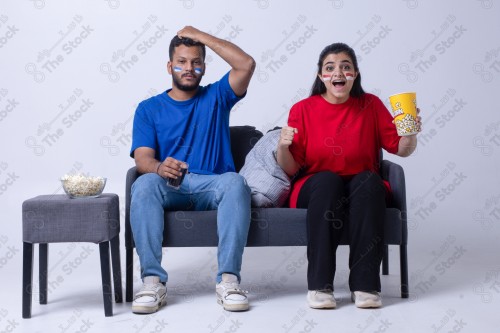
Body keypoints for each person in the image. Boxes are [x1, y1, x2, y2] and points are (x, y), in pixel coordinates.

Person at [277, 43, 421, 309]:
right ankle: (320, 286)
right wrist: (282, 146)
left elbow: (402, 150)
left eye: (345, 67)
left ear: (355, 74)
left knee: (369, 181)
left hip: (360, 184)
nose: (338, 73)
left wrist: (410, 132)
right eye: (330, 68)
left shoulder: (371, 105)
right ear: (321, 76)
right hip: (316, 185)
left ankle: (365, 286)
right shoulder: (303, 109)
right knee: (328, 181)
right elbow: (290, 168)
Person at [129, 26, 255, 314]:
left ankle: (229, 280)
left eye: (196, 62)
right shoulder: (148, 109)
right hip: (170, 186)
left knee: (235, 182)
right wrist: (160, 167)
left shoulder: (217, 97)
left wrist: (201, 36)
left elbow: (246, 64)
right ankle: (152, 282)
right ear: (169, 65)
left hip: (213, 186)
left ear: (203, 67)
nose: (189, 68)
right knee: (144, 184)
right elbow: (142, 159)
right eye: (182, 61)